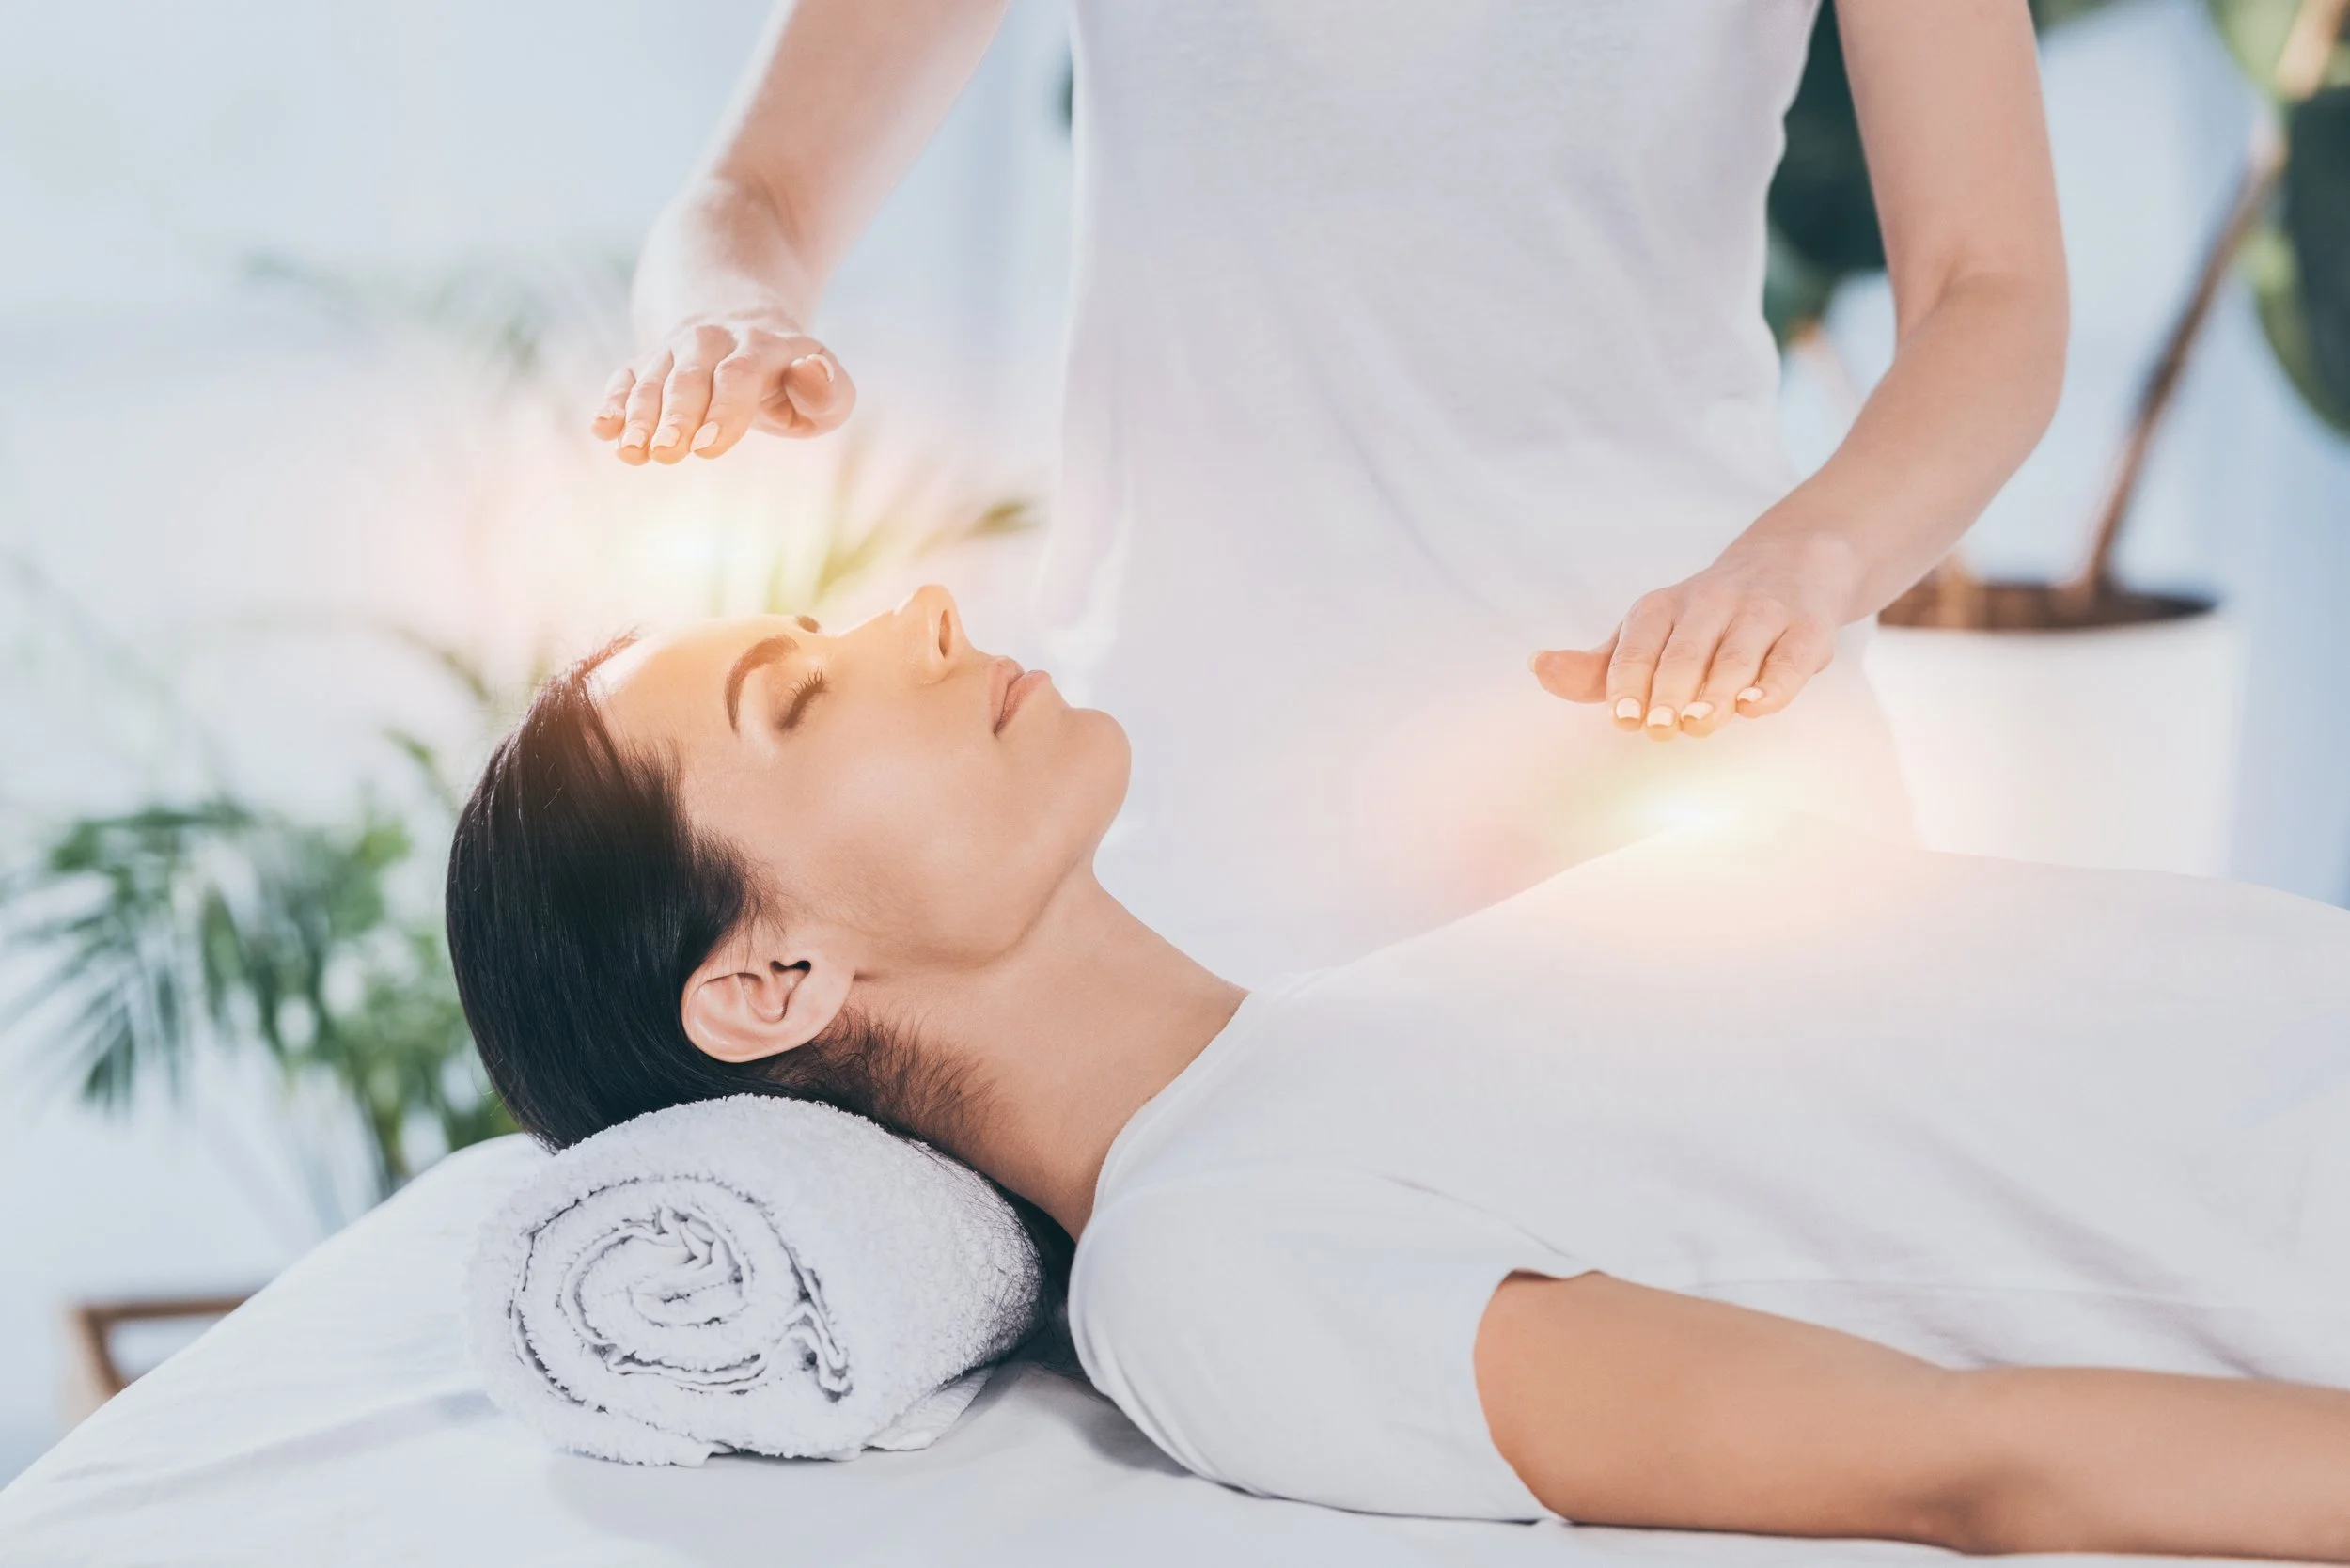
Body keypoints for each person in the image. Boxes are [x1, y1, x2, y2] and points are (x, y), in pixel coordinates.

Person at [448, 588, 2350, 1559]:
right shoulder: (1210, 1271)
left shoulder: (1364, 1024)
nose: (920, 615)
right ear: (772, 978)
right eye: (800, 694)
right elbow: (1965, 1461)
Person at [587, 1, 2069, 981]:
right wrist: (723, 312)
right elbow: (754, 199)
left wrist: (1807, 564)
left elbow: (1991, 292)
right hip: (1201, 848)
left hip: (1697, 796)